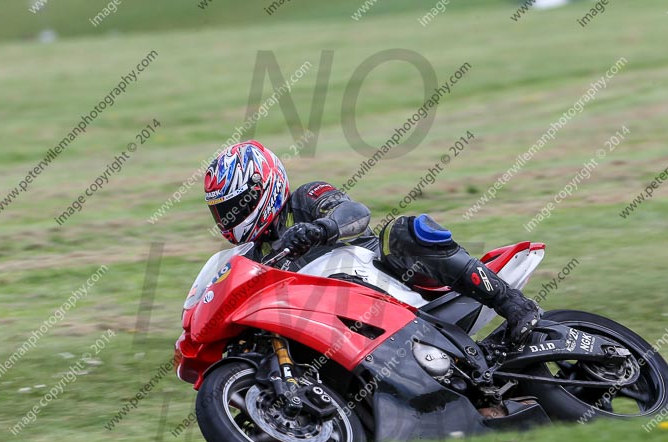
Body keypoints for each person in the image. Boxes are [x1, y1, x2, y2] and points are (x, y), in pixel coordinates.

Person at [203, 140, 539, 345]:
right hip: (336, 322)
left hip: (388, 281)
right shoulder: (253, 256)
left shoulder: (305, 198)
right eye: (223, 211)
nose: (231, 217)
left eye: (236, 206)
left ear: (265, 186)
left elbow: (355, 212)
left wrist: (320, 228)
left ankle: (512, 303)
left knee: (402, 232)